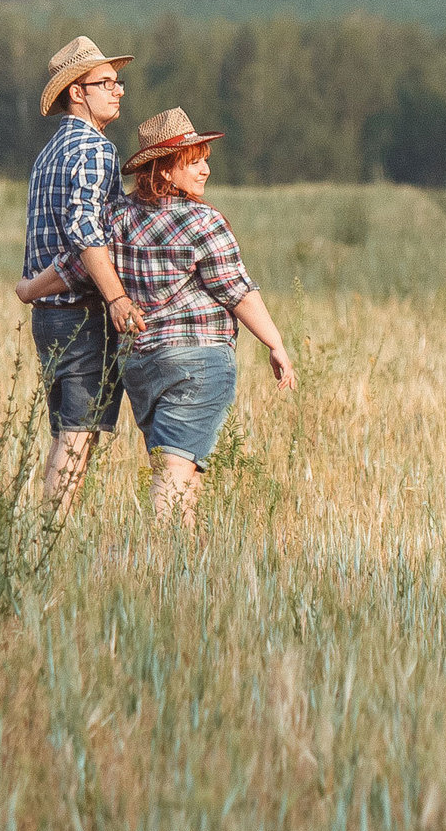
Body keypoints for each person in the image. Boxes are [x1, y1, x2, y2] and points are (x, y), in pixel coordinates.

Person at [16, 107, 296, 525]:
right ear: (164, 171)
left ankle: (178, 571)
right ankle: (162, 555)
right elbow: (237, 291)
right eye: (193, 161)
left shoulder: (115, 217)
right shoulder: (204, 222)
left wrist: (28, 290)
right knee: (177, 474)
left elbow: (77, 267)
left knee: (178, 469)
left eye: (204, 159)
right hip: (198, 364)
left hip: (143, 365)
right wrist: (275, 344)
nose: (204, 170)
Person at [22, 35, 143, 512]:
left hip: (50, 316)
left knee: (69, 431)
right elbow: (84, 230)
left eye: (118, 82)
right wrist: (115, 296)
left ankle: (49, 536)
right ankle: (50, 539)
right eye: (106, 82)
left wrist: (33, 289)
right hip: (80, 314)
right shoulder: (96, 150)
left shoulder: (49, 152)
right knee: (77, 435)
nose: (118, 91)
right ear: (77, 91)